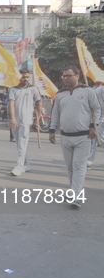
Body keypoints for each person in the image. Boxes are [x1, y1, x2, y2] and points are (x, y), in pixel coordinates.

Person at [49, 66, 101, 208]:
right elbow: (55, 113)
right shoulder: (60, 94)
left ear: (77, 76)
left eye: (68, 75)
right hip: (65, 136)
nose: (65, 78)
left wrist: (93, 126)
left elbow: (97, 109)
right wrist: (52, 130)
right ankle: (74, 191)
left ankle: (76, 196)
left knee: (79, 166)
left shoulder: (87, 91)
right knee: (70, 167)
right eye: (63, 76)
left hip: (83, 136)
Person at [8, 69, 42, 176]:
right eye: (23, 77)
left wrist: (37, 120)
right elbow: (11, 105)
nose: (26, 79)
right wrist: (13, 119)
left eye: (27, 77)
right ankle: (26, 164)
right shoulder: (13, 90)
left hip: (26, 121)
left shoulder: (33, 89)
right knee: (20, 145)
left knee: (22, 144)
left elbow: (39, 104)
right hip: (15, 122)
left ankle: (18, 167)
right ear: (19, 77)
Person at [86, 80, 104, 169]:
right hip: (99, 119)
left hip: (100, 118)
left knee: (97, 138)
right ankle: (88, 161)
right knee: (94, 139)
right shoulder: (97, 89)